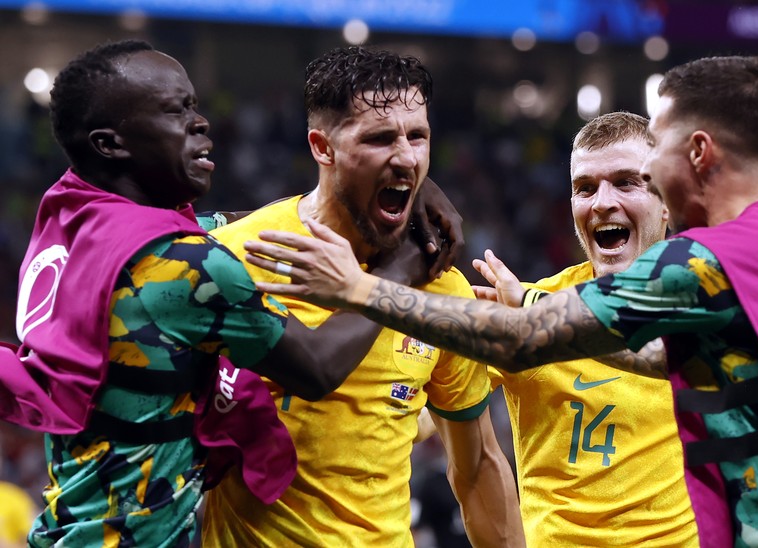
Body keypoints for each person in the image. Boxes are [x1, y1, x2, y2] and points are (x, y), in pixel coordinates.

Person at [245, 55, 758, 546]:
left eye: (649, 161)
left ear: (699, 153)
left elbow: (522, 342)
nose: (624, 190)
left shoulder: (715, 262)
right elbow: (661, 355)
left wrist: (360, 288)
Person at [0, 39, 463, 547]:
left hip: (67, 527)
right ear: (110, 144)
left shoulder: (76, 225)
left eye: (194, 106)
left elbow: (219, 228)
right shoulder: (187, 268)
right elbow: (315, 368)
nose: (200, 124)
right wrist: (402, 266)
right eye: (175, 111)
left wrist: (401, 174)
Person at [201, 46, 523, 547]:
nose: (407, 157)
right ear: (322, 147)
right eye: (379, 138)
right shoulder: (235, 257)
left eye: (418, 136)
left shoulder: (443, 285)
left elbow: (478, 463)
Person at [467, 112, 697, 545]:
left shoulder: (708, 302)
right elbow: (424, 408)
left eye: (626, 182)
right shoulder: (519, 311)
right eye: (584, 188)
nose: (601, 202)